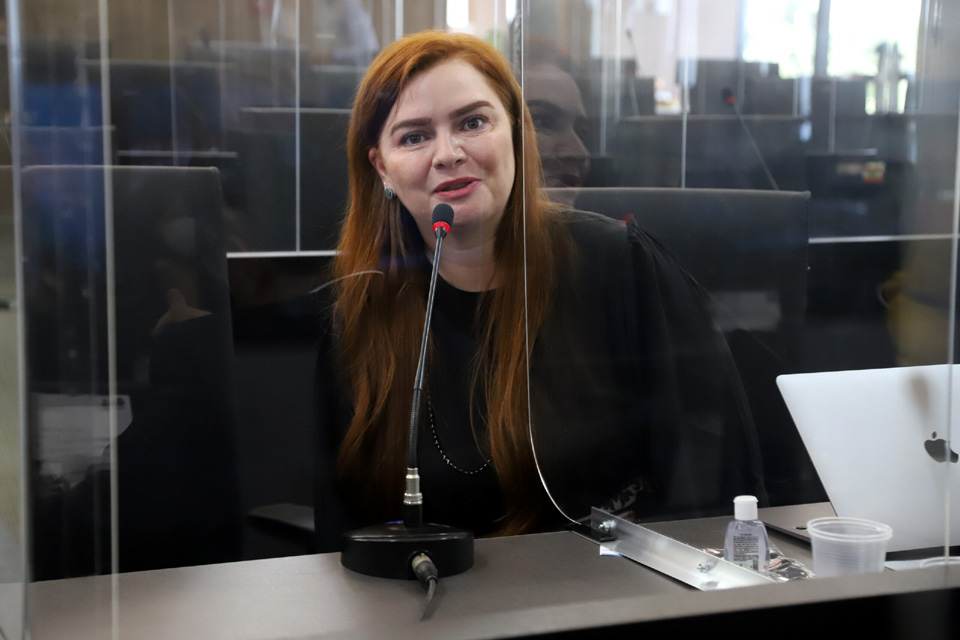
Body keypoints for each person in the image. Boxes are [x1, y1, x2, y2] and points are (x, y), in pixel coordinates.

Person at [313, 30, 765, 551]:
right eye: (414, 136)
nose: (449, 153)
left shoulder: (621, 266)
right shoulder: (361, 312)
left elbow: (706, 474)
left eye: (473, 122)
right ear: (382, 169)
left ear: (515, 134)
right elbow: (342, 525)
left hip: (617, 589)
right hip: (432, 607)